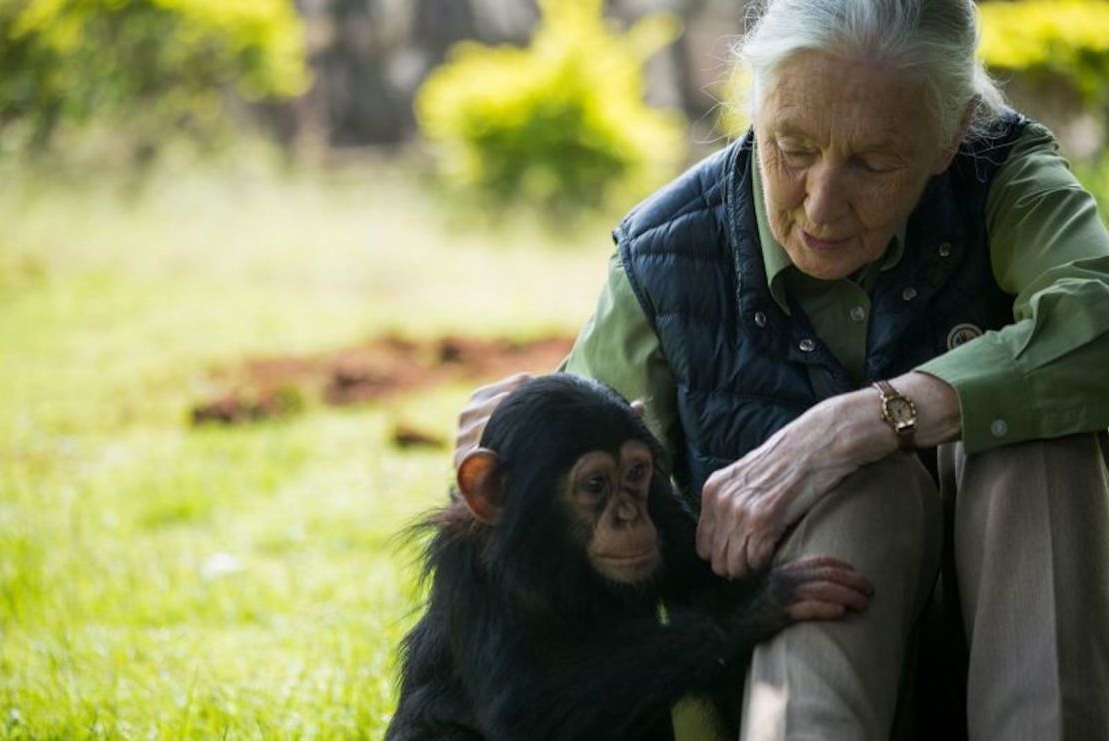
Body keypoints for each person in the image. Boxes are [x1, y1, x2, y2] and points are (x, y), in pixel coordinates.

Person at [454, 1, 1109, 738]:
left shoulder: (1003, 177)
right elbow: (556, 559)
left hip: (1013, 651)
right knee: (867, 486)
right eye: (791, 147)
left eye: (873, 161)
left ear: (952, 134)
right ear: (756, 108)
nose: (822, 204)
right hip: (799, 668)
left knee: (1033, 434)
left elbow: (1099, 315)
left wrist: (866, 419)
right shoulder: (666, 252)